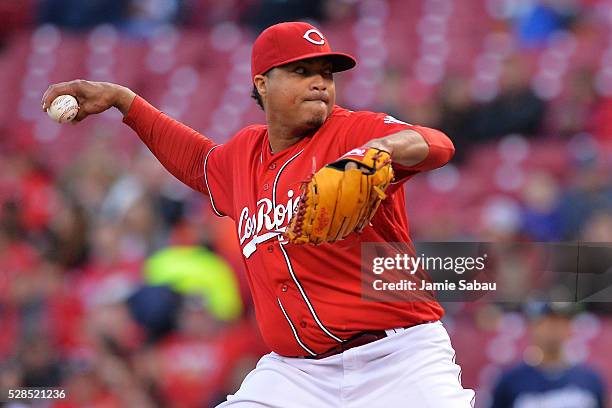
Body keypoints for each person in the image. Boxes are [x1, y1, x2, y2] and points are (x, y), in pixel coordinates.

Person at [42, 21, 474, 407]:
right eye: (302, 72)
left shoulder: (354, 131)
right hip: (297, 374)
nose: (320, 83)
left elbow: (437, 144)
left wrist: (381, 149)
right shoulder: (242, 155)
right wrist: (125, 101)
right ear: (263, 83)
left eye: (326, 73)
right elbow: (197, 160)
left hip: (397, 358)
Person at [490, 302, 607, 408]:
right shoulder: (510, 380)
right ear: (533, 327)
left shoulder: (591, 379)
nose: (553, 329)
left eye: (560, 322)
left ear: (569, 327)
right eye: (547, 322)